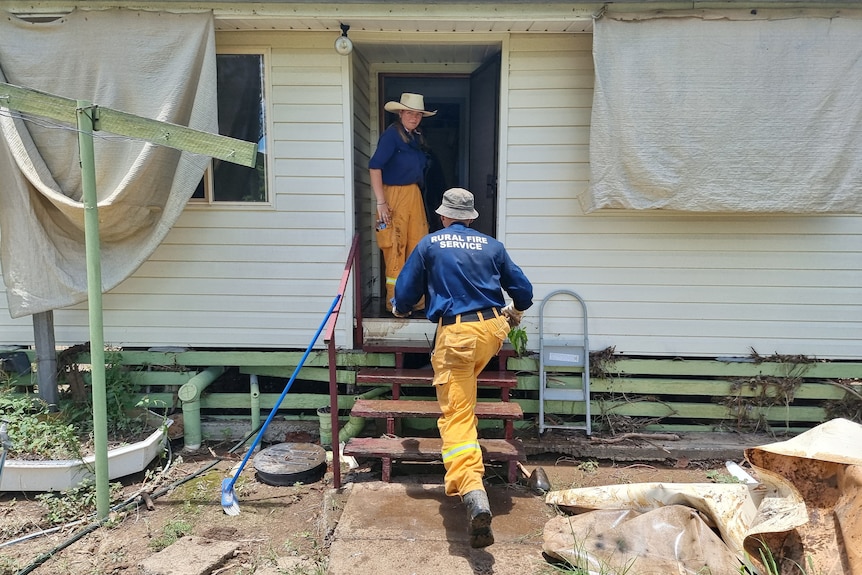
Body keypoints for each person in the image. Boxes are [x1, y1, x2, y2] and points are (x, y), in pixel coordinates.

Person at [391, 188, 533, 549]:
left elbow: (406, 294)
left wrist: (400, 306)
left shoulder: (430, 244)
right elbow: (524, 292)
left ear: (443, 217)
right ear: (471, 218)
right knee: (465, 388)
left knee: (456, 414)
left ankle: (472, 489)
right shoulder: (492, 246)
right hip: (490, 331)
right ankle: (471, 461)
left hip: (456, 335)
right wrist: (513, 311)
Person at [369, 92, 435, 312]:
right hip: (394, 196)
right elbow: (375, 167)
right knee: (395, 247)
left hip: (413, 195)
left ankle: (415, 300)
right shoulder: (391, 135)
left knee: (418, 246)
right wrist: (381, 202)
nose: (414, 117)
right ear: (400, 113)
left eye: (418, 114)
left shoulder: (414, 137)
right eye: (409, 113)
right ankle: (396, 303)